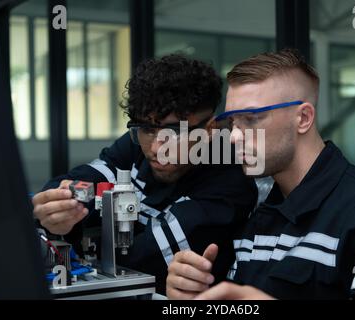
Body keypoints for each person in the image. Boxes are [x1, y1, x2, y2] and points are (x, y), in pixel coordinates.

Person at [166, 49, 355, 299]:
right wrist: (197, 295)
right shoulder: (261, 215)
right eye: (233, 122)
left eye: (250, 119)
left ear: (304, 118)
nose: (234, 136)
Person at [32, 54, 257, 294]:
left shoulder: (230, 182)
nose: (157, 148)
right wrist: (57, 206)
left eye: (174, 132)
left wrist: (77, 229)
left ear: (210, 129)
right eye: (148, 129)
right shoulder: (139, 142)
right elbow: (77, 181)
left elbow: (138, 261)